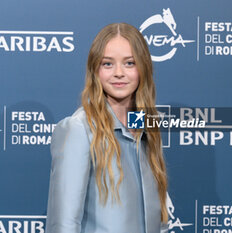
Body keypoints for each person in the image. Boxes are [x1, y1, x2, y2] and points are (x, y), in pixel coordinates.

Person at [45, 23, 168, 233]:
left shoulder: (147, 126)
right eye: (108, 64)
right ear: (95, 70)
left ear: (143, 68)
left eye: (129, 63)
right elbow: (63, 224)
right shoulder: (79, 129)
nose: (119, 73)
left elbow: (157, 219)